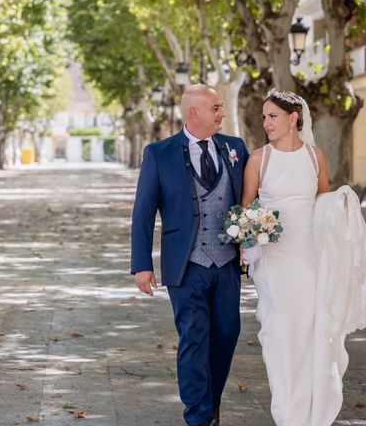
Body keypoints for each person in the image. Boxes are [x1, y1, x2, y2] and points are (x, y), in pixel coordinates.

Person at [241, 88, 366, 426]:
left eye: (272, 116)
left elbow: (321, 202)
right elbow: (246, 208)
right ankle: (288, 411)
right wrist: (251, 233)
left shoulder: (315, 157)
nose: (266, 122)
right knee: (281, 332)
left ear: (293, 118)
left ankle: (314, 410)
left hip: (310, 257)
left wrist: (341, 204)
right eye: (265, 116)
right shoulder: (259, 158)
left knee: (312, 330)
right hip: (275, 258)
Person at [131, 84, 249, 426]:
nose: (222, 113)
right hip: (186, 265)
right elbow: (143, 212)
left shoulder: (235, 148)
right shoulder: (160, 153)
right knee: (194, 337)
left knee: (226, 336)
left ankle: (210, 405)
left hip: (227, 264)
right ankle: (198, 417)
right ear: (194, 112)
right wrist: (142, 265)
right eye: (216, 107)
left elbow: (249, 200)